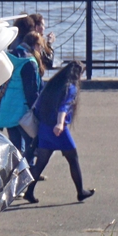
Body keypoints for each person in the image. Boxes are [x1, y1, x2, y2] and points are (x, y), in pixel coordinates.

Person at [23, 60, 94, 205]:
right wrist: (60, 123)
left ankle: (29, 192)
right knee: (73, 158)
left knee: (41, 162)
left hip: (44, 128)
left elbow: (38, 105)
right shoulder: (71, 88)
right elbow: (64, 107)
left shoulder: (52, 85)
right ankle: (80, 191)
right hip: (57, 130)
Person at [0, 36, 42, 172]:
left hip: (6, 106)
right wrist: (37, 111)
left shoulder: (9, 57)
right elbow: (31, 91)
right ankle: (27, 173)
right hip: (22, 109)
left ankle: (15, 175)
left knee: (15, 146)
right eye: (40, 47)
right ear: (36, 46)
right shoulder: (29, 62)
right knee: (31, 144)